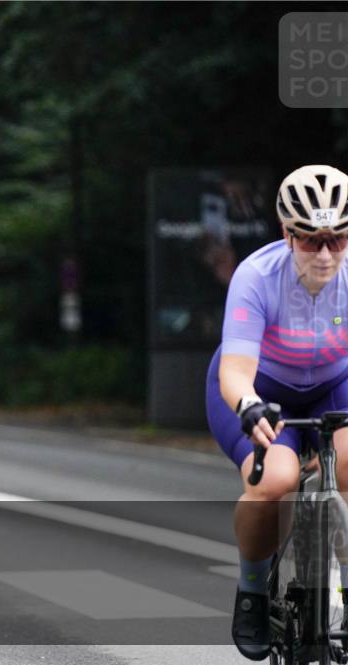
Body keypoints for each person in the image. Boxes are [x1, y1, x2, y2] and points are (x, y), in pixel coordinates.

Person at [205, 165, 348, 660]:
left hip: (335, 386)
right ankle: (252, 589)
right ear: (287, 234)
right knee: (275, 481)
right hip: (261, 389)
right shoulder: (256, 277)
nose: (325, 254)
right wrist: (248, 406)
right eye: (311, 240)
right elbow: (236, 372)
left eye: (338, 239)